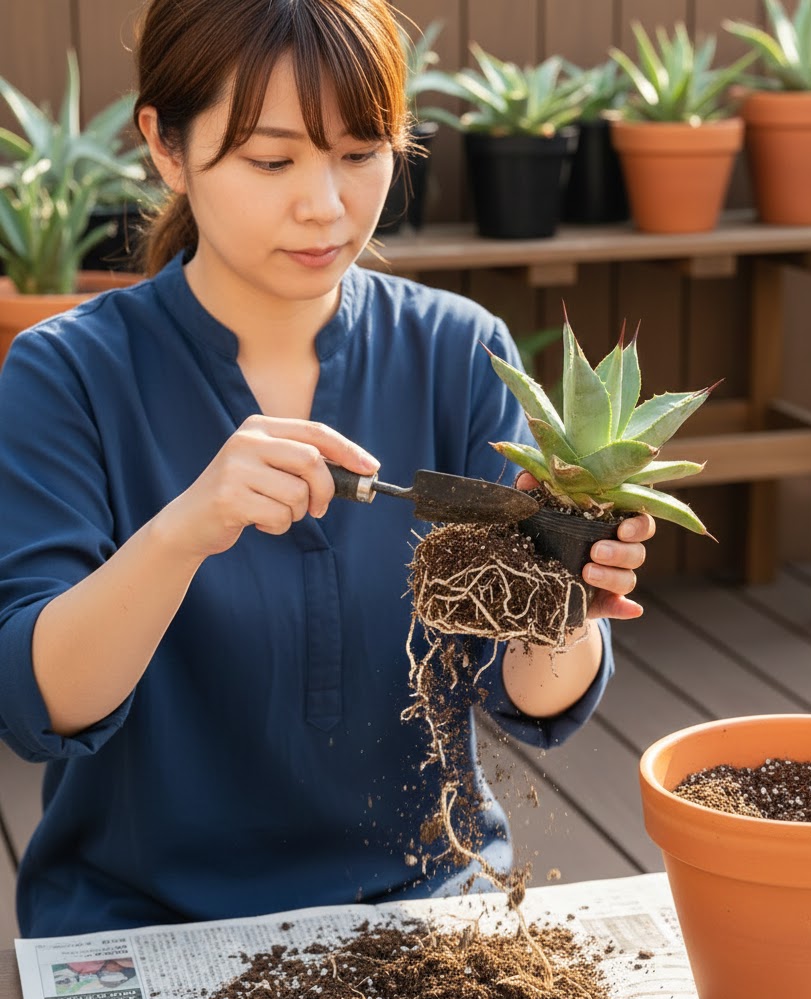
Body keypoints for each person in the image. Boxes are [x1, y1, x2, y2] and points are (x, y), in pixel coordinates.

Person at [0, 0, 654, 940]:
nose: (327, 204)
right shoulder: (69, 373)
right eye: (272, 161)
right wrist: (187, 529)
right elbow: (39, 703)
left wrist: (568, 596)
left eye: (361, 152)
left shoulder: (461, 353)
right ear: (167, 146)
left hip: (428, 901)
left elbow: (531, 697)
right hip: (142, 920)